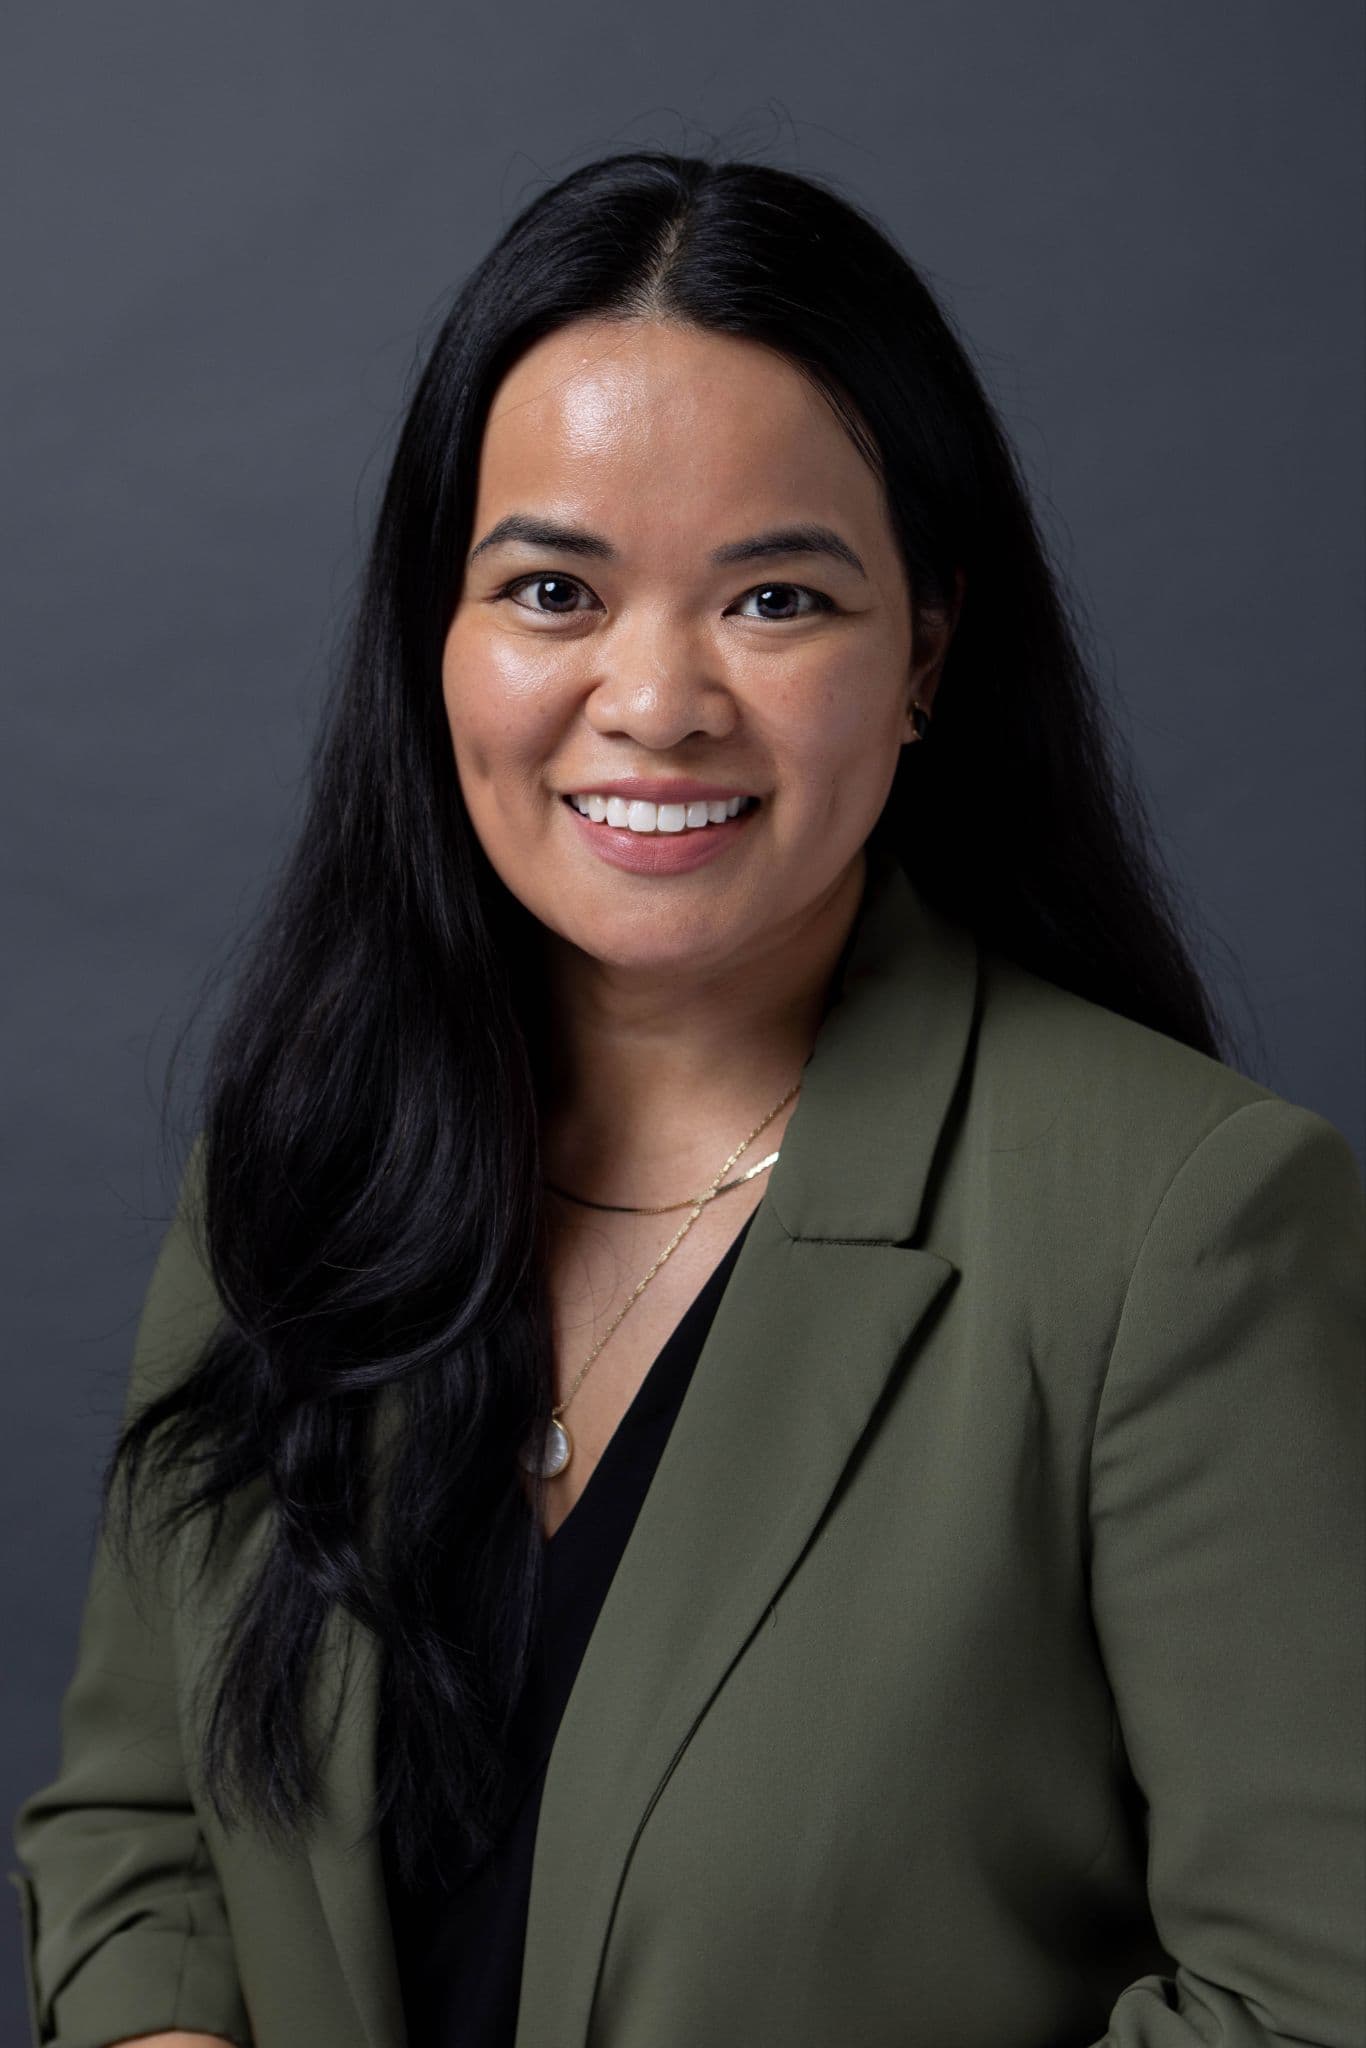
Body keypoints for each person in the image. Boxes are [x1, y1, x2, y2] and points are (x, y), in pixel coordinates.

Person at [10, 148, 1364, 2048]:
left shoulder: (1185, 1230)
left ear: (926, 649)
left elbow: (1309, 2003)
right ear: (440, 639)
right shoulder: (298, 1174)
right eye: (552, 587)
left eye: (777, 598)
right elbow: (145, 1829)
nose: (653, 702)